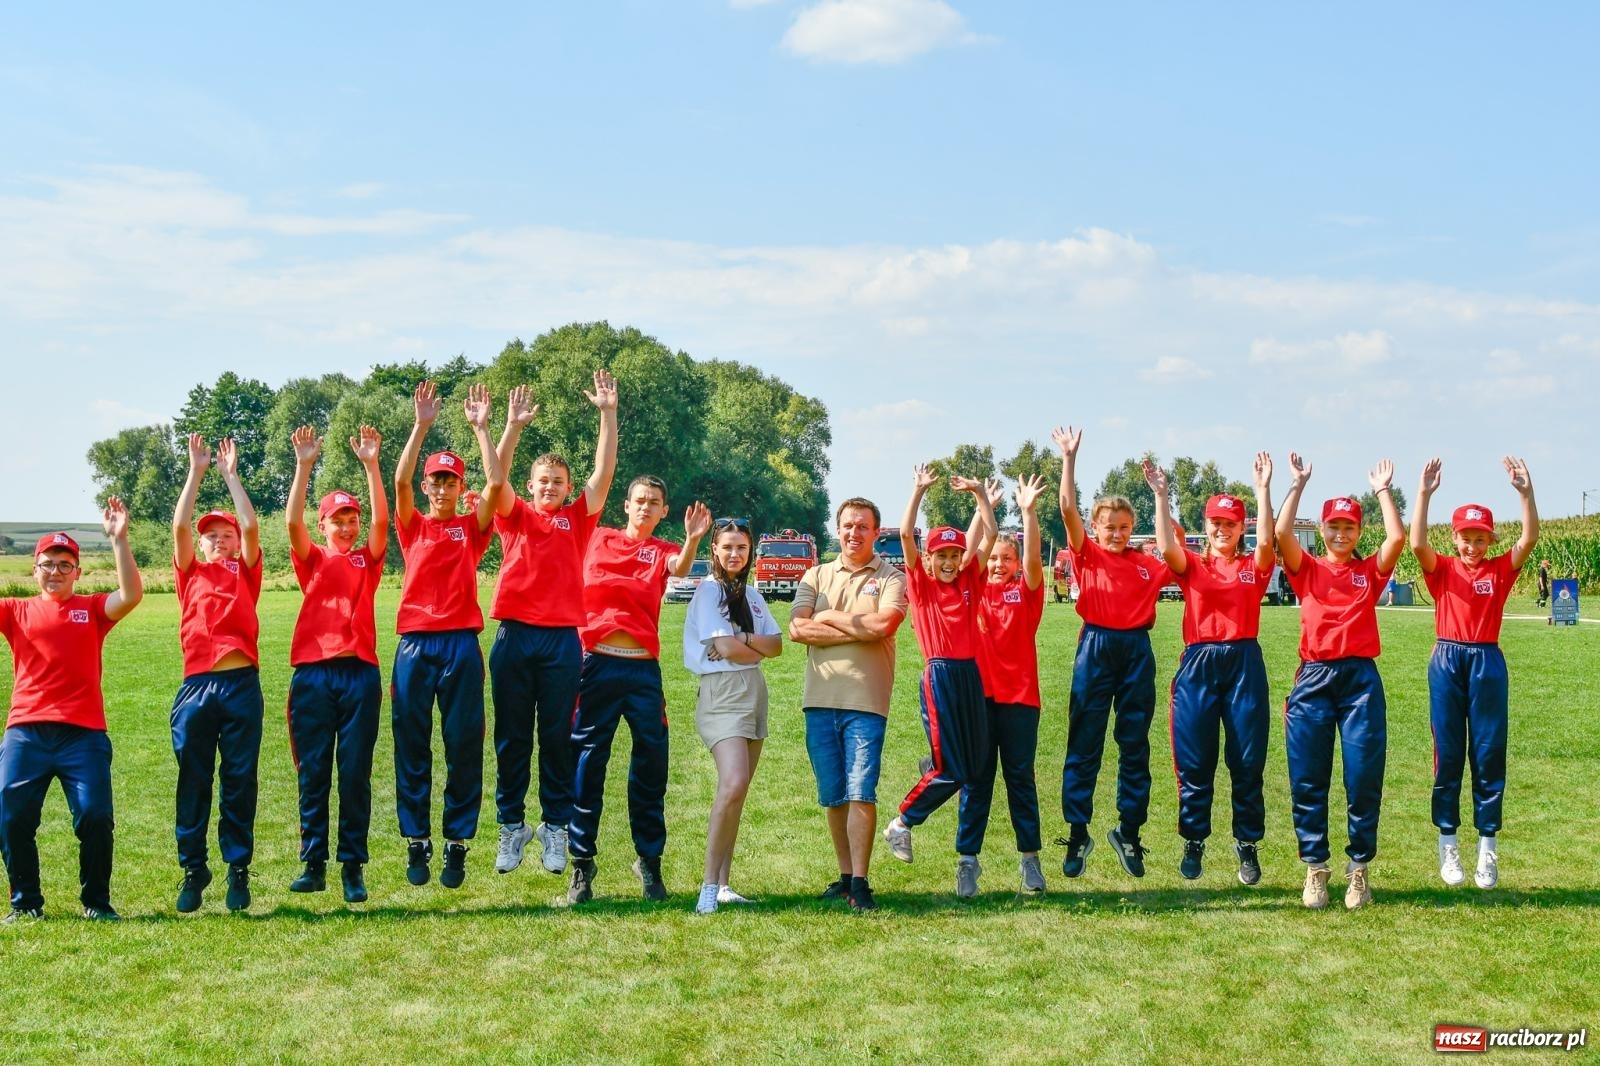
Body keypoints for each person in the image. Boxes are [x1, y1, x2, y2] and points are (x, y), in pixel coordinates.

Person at [488, 373, 617, 878]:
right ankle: (511, 825)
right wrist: (511, 427)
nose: (549, 488)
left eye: (558, 483)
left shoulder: (578, 519)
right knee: (512, 735)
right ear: (532, 486)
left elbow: (604, 473)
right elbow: (495, 478)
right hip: (514, 637)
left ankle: (555, 828)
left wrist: (607, 414)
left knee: (557, 738)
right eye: (542, 481)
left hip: (563, 640)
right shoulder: (515, 515)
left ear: (566, 489)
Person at [565, 478, 709, 904]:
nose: (646, 508)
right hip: (596, 665)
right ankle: (581, 863)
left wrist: (693, 539)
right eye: (640, 501)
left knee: (650, 764)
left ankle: (649, 860)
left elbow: (680, 568)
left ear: (664, 510)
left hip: (643, 669)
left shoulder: (663, 549)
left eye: (655, 503)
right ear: (626, 505)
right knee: (588, 764)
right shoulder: (596, 537)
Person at [1, 502, 143, 922]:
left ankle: (96, 902)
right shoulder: (15, 611)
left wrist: (119, 539)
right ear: (34, 569)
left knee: (96, 817)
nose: (56, 572)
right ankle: (26, 904)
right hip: (26, 732)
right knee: (10, 815)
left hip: (83, 735)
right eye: (48, 564)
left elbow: (132, 595)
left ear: (78, 572)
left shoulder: (93, 609)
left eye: (65, 565)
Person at [390, 382, 507, 889]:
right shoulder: (412, 525)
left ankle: (457, 844)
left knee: (462, 744)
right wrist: (420, 426)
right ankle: (416, 840)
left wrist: (484, 430)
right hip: (414, 644)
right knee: (411, 742)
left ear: (461, 488)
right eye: (434, 481)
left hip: (460, 643)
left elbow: (498, 487)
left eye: (449, 482)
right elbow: (398, 482)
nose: (440, 489)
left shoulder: (471, 528)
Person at [1275, 453, 1405, 910]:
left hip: (1360, 682)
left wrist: (1384, 491)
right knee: (1309, 778)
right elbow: (1281, 534)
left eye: (1349, 527)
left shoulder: (1369, 571)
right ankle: (1315, 869)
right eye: (1333, 526)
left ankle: (1359, 870)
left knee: (1363, 777)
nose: (1340, 533)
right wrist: (1297, 485)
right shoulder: (1307, 568)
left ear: (1358, 531)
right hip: (1314, 679)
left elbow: (1398, 537)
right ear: (1324, 530)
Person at [1144, 454, 1276, 886]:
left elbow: (1270, 544)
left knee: (1246, 760)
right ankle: (1194, 840)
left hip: (1243, 663)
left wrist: (1263, 490)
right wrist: (1162, 496)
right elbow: (1166, 547)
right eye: (1215, 523)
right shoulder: (1195, 566)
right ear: (1207, 526)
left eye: (1230, 524)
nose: (1222, 530)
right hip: (1199, 664)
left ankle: (1247, 845)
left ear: (1242, 529)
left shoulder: (1252, 568)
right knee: (1195, 761)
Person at [1411, 457, 1538, 890]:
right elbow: (1415, 545)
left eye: (1480, 538)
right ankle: (1448, 843)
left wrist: (1525, 494)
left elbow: (1529, 538)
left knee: (1487, 755)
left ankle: (1487, 850)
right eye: (1466, 538)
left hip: (1486, 662)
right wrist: (1424, 494)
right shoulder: (1443, 569)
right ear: (1455, 537)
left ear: (1489, 539)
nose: (1472, 546)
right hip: (1446, 660)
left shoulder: (1500, 570)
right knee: (1448, 755)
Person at [1053, 426, 1172, 879]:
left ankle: (1129, 831)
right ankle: (1078, 831)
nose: (1118, 534)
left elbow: (1171, 548)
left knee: (1134, 744)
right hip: (1097, 646)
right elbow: (1066, 509)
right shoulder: (1087, 555)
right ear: (1096, 528)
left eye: (1124, 528)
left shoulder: (1145, 564)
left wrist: (1160, 495)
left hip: (1136, 650)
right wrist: (1069, 458)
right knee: (1084, 742)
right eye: (1110, 527)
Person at [880, 466, 997, 899]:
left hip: (970, 676)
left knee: (974, 769)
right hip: (940, 674)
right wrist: (918, 490)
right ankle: (902, 822)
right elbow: (908, 534)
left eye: (953, 555)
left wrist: (981, 495)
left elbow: (990, 533)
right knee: (953, 769)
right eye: (940, 556)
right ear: (929, 560)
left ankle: (933, 780)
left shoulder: (969, 580)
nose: (948, 563)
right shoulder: (922, 585)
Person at [285, 423, 388, 904]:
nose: (346, 527)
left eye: (352, 519)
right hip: (313, 676)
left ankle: (352, 867)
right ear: (324, 525)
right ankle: (313, 863)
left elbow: (384, 524)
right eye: (337, 520)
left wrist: (372, 466)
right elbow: (291, 525)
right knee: (314, 772)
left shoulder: (368, 560)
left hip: (359, 674)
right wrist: (304, 466)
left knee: (354, 771)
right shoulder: (314, 560)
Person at [789, 497, 908, 912]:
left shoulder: (891, 576)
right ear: (836, 530)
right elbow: (797, 629)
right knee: (833, 794)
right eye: (847, 525)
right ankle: (844, 877)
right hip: (819, 701)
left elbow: (884, 625)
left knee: (861, 790)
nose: (853, 533)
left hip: (866, 701)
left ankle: (861, 881)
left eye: (862, 526)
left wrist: (828, 618)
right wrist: (857, 630)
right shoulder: (815, 574)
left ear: (877, 532)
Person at [169, 433, 264, 913]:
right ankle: (193, 866)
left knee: (240, 779)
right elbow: (181, 528)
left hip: (241, 685)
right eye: (213, 536)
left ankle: (238, 868)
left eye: (224, 534)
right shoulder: (191, 573)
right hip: (197, 689)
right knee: (194, 778)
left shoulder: (245, 571)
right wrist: (196, 471)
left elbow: (250, 527)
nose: (219, 540)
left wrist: (230, 475)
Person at [682, 517, 783, 914]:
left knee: (738, 793)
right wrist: (742, 646)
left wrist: (741, 640)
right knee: (733, 783)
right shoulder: (709, 591)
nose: (735, 554)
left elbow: (775, 646)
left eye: (741, 547)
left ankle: (724, 884)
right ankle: (707, 887)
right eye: (727, 547)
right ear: (715, 551)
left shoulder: (753, 595)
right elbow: (723, 650)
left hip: (753, 690)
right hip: (722, 694)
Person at [954, 475, 1049, 896]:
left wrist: (1027, 513)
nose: (997, 564)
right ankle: (967, 862)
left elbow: (1033, 562)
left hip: (1019, 701)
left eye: (1005, 559)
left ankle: (1030, 862)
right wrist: (982, 507)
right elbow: (970, 551)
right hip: (978, 702)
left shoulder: (1025, 593)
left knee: (1019, 779)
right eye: (993, 558)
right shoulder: (970, 591)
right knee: (977, 781)